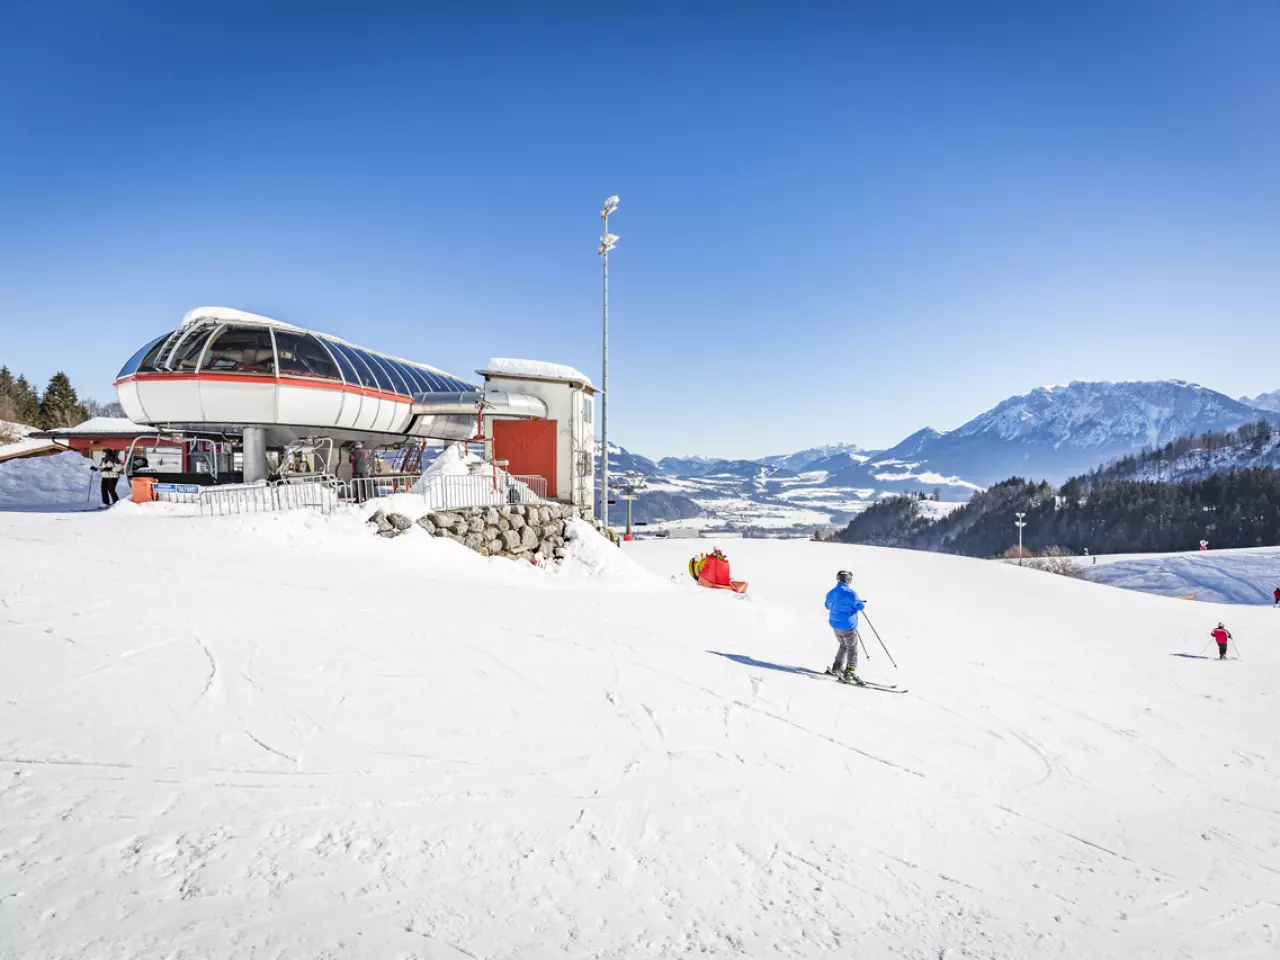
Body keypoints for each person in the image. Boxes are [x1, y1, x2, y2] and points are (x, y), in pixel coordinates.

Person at [824, 570, 866, 684]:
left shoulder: (831, 592)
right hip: (848, 626)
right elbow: (860, 606)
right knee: (852, 648)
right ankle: (849, 673)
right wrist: (860, 603)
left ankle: (837, 667)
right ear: (849, 580)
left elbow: (827, 606)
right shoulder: (851, 593)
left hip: (835, 625)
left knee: (843, 645)